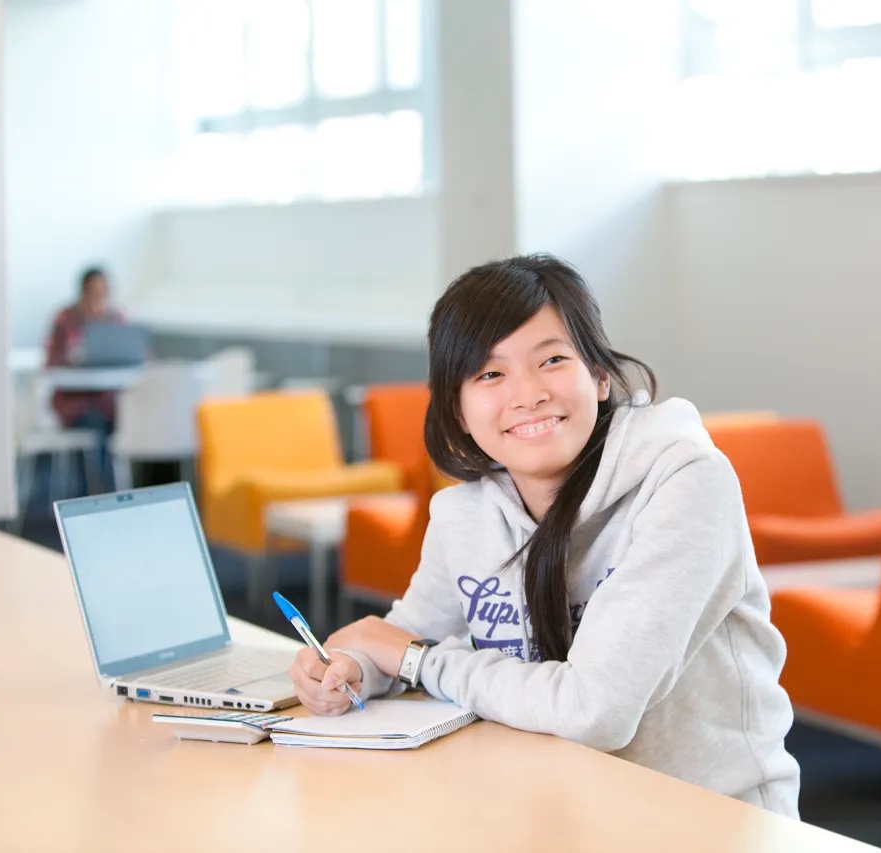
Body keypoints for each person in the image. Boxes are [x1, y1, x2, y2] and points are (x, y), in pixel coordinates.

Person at [290, 254, 801, 817]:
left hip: (707, 818)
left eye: (552, 359)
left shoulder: (685, 483)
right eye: (489, 374)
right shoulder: (465, 515)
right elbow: (403, 636)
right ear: (457, 410)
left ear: (600, 376)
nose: (527, 394)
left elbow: (595, 709)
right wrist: (349, 667)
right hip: (550, 806)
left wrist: (415, 660)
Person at [44, 266, 125, 489]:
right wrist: (70, 358)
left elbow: (139, 355)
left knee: (117, 422)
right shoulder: (66, 320)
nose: (99, 297)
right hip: (74, 403)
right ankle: (97, 492)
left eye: (104, 291)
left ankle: (116, 494)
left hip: (109, 401)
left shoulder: (116, 319)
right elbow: (50, 364)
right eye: (94, 291)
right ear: (83, 291)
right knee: (95, 426)